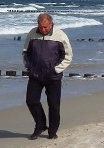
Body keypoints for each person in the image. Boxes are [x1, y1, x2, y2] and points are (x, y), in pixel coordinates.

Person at [22, 12, 73, 140]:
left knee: (54, 105)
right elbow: (25, 52)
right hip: (35, 75)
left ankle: (52, 131)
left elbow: (67, 56)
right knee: (31, 101)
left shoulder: (60, 35)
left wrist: (56, 70)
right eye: (41, 27)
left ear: (51, 24)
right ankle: (40, 125)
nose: (43, 29)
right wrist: (29, 67)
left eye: (45, 27)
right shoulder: (32, 33)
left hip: (53, 77)